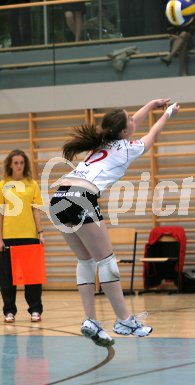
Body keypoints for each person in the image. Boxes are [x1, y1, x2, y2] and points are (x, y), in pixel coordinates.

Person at [49, 99, 180, 347]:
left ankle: (90, 320)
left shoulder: (104, 142)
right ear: (123, 131)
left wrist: (151, 105)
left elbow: (134, 123)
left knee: (86, 260)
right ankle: (124, 320)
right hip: (81, 199)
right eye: (130, 120)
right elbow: (153, 132)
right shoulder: (129, 147)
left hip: (58, 199)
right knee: (107, 261)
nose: (134, 121)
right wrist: (168, 113)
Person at [0, 150, 45, 323]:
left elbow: (36, 210)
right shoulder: (3, 184)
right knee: (7, 279)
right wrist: (0, 238)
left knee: (32, 277)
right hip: (9, 237)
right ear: (10, 165)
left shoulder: (32, 184)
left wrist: (40, 233)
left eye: (21, 163)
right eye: (16, 163)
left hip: (29, 236)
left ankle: (35, 310)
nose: (19, 166)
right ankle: (9, 311)